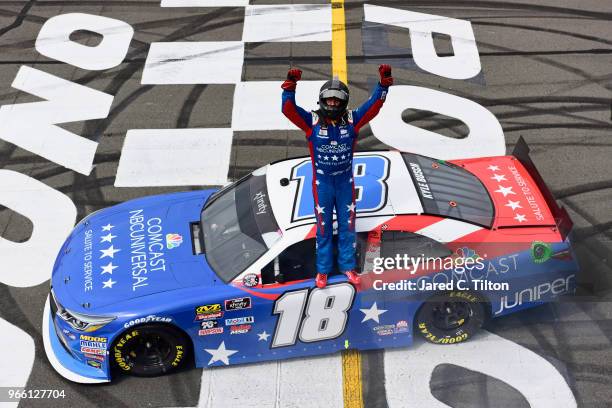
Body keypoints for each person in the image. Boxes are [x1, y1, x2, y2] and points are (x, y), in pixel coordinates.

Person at [281, 65, 393, 288]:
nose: (332, 103)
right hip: (322, 184)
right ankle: (322, 271)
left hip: (345, 184)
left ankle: (348, 267)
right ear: (322, 100)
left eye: (337, 100)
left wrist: (383, 85)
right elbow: (288, 109)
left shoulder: (352, 120)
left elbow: (374, 106)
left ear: (344, 102)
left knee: (347, 228)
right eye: (329, 99)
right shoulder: (311, 121)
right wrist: (290, 87)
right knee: (322, 229)